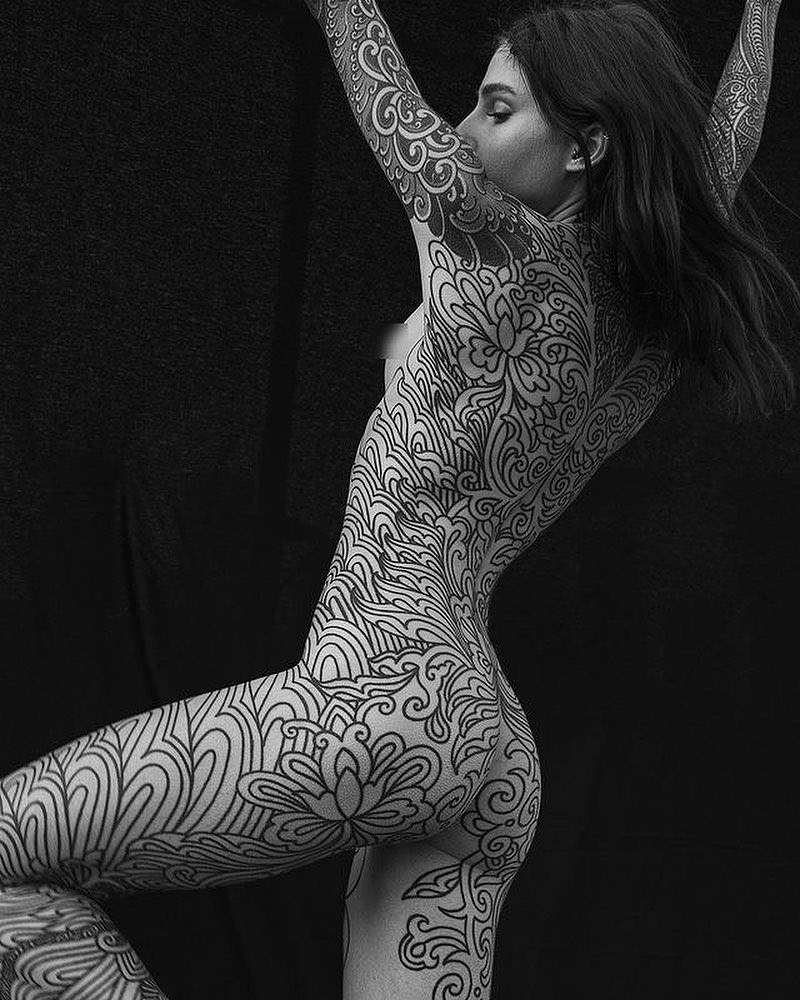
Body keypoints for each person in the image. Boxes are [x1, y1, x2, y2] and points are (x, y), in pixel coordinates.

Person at [0, 1, 794, 997]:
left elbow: (378, 79)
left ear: (586, 146)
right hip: (487, 759)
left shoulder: (502, 248)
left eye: (496, 109)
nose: (462, 130)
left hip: (383, 696)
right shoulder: (648, 321)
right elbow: (726, 139)